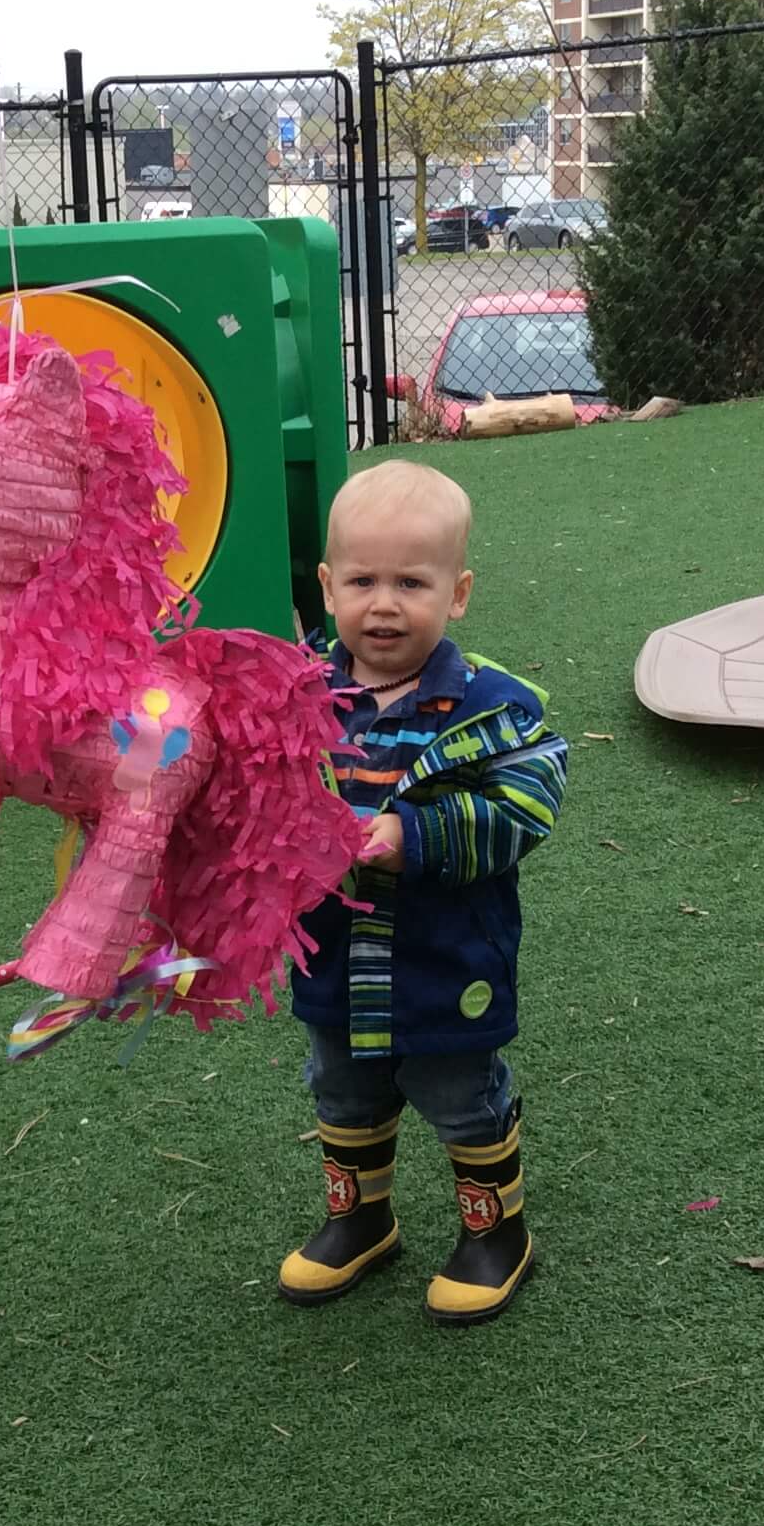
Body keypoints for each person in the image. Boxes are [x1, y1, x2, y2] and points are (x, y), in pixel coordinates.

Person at [278, 461, 568, 1325]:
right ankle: (360, 1217)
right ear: (328, 588)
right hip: (335, 955)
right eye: (363, 580)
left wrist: (417, 835)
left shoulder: (489, 707)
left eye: (413, 581)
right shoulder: (298, 698)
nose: (385, 604)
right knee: (343, 1088)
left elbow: (531, 798)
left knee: (458, 1094)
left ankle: (495, 1233)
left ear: (459, 591)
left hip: (444, 957)